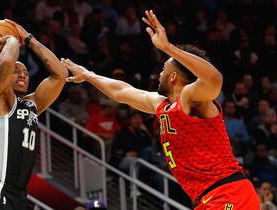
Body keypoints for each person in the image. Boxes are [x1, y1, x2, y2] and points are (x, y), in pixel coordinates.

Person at [61, 10, 259, 209]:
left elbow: (215, 79)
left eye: (164, 69)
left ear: (173, 77)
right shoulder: (161, 104)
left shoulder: (192, 97)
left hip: (229, 194)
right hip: (209, 198)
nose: (160, 73)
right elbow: (121, 91)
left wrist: (168, 47)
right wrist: (88, 75)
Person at [0, 19, 68, 210]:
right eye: (16, 71)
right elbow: (7, 62)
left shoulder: (32, 105)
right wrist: (12, 39)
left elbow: (61, 74)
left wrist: (29, 38)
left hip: (19, 194)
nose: (22, 74)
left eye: (25, 71)